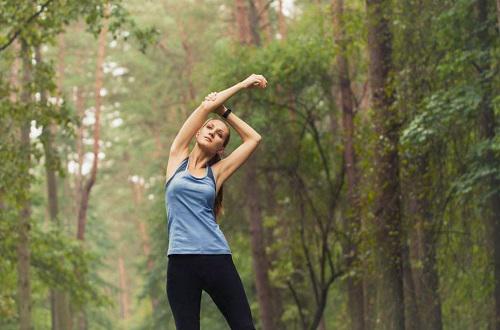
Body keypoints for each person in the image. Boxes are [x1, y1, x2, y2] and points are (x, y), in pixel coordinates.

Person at [164, 74, 268, 330]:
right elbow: (204, 107)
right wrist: (242, 84)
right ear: (199, 131)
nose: (213, 132)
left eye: (220, 134)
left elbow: (254, 139)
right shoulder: (177, 157)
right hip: (180, 261)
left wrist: (224, 112)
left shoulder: (218, 172)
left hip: (216, 257)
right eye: (210, 127)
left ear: (222, 148)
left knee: (244, 326)